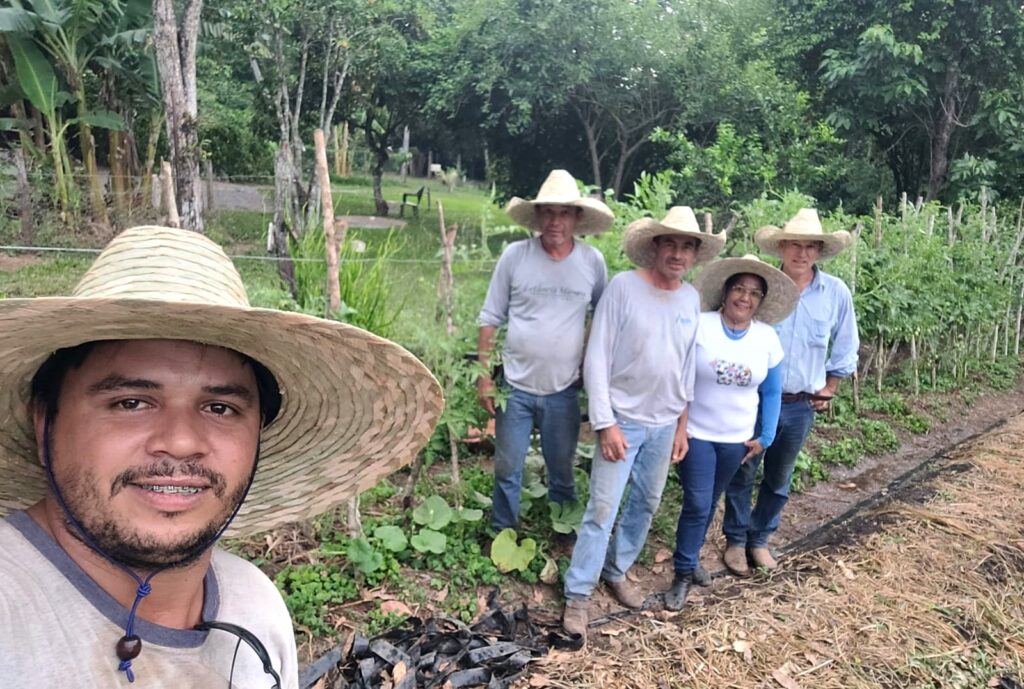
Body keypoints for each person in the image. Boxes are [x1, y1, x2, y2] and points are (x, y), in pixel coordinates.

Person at [0, 225, 442, 686]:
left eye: (220, 408)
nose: (181, 441)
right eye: (131, 402)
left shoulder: (255, 605)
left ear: (257, 435)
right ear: (44, 420)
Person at [562, 206, 724, 638]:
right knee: (602, 508)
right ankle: (578, 595)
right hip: (624, 421)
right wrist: (605, 422)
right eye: (670, 243)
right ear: (655, 246)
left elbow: (686, 365)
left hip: (665, 422)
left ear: (694, 255)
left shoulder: (690, 298)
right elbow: (596, 356)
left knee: (646, 503)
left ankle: (617, 569)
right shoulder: (623, 288)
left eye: (686, 246)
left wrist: (682, 424)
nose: (677, 253)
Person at [722, 209, 860, 575]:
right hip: (752, 401)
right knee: (742, 471)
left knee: (779, 477)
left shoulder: (835, 293)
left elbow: (846, 344)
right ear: (781, 246)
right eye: (795, 245)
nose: (802, 253)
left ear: (819, 251)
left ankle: (760, 539)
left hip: (800, 405)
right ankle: (735, 541)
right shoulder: (762, 289)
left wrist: (830, 386)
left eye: (810, 246)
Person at [478, 169, 613, 533]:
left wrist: (590, 364)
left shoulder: (591, 263)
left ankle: (563, 529)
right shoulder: (515, 257)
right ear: (537, 217)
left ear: (577, 219)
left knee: (562, 468)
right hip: (515, 386)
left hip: (564, 389)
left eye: (564, 213)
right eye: (549, 212)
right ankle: (503, 530)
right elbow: (490, 316)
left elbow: (601, 319)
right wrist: (483, 376)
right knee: (508, 468)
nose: (556, 221)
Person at [664, 255, 798, 610]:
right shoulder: (701, 325)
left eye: (754, 293)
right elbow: (680, 377)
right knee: (696, 502)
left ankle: (690, 559)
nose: (745, 297)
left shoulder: (767, 338)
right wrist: (680, 426)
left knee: (709, 500)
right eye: (739, 288)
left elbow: (771, 391)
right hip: (697, 433)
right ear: (725, 292)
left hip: (737, 439)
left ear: (760, 301)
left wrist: (766, 436)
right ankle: (682, 572)